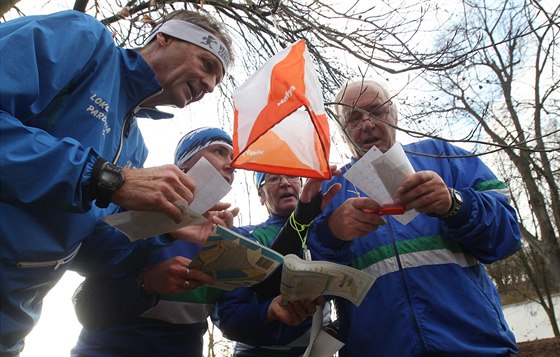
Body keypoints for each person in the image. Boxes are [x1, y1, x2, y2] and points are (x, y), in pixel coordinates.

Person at [0, 9, 233, 356]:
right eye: (206, 63)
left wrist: (165, 228)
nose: (211, 86)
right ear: (164, 38)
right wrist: (104, 177)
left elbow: (86, 253)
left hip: (11, 328)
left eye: (217, 79)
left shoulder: (135, 146)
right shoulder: (84, 39)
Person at [305, 78, 522, 356]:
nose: (368, 124)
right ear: (342, 131)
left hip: (475, 346)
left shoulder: (443, 157)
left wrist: (455, 205)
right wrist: (331, 235)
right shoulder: (330, 189)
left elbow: (508, 235)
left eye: (376, 111)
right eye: (354, 118)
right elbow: (313, 284)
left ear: (394, 113)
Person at [71, 127, 237, 356]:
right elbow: (87, 307)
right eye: (219, 151)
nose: (231, 164)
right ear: (184, 164)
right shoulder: (138, 206)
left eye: (233, 157)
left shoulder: (226, 236)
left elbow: (229, 317)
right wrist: (145, 283)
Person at [212, 171, 341, 357]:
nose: (285, 183)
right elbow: (228, 317)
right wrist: (268, 311)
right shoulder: (247, 237)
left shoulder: (328, 231)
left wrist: (335, 329)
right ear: (262, 196)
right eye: (273, 179)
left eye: (293, 176)